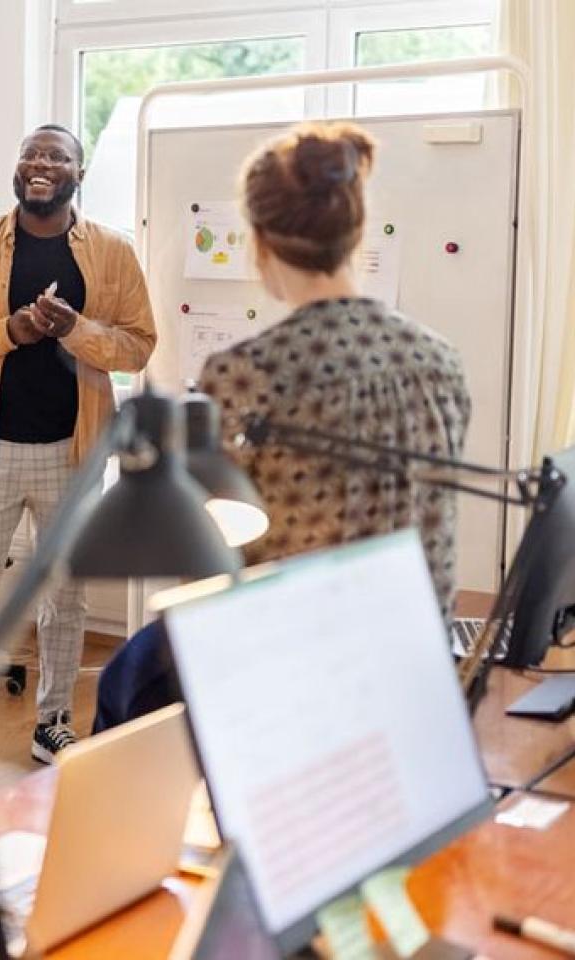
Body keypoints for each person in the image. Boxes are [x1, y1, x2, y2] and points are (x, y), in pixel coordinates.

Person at [94, 121, 470, 732]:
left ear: (259, 242)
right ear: (356, 232)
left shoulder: (247, 372)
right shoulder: (439, 358)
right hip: (414, 652)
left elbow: (209, 553)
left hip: (293, 655)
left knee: (124, 685)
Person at [0, 123, 157, 783]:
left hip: (73, 454)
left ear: (78, 172)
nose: (41, 164)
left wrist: (76, 330)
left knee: (66, 595)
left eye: (57, 156)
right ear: (18, 168)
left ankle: (54, 723)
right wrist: (10, 330)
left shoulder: (110, 252)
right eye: (31, 153)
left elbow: (136, 347)